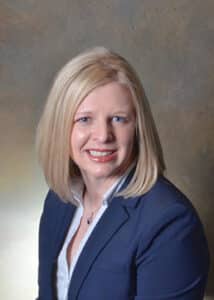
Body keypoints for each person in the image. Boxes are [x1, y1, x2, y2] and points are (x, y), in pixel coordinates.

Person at [36, 47, 210, 300]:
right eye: (85, 119)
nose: (103, 135)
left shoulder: (170, 223)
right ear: (61, 127)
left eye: (118, 119)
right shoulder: (58, 201)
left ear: (138, 128)